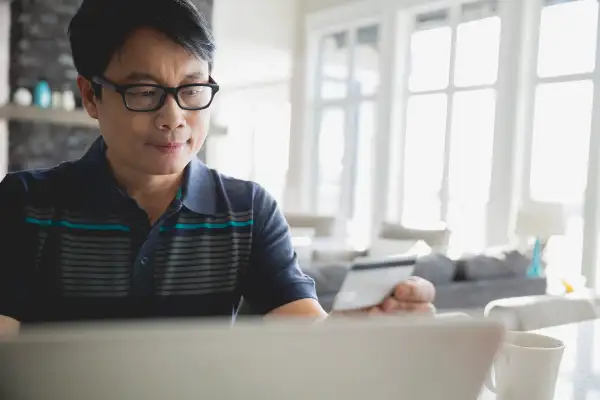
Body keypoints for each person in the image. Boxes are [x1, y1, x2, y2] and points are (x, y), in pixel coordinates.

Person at [0, 0, 435, 336]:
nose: (173, 117)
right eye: (144, 90)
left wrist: (372, 322)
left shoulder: (247, 210)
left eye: (191, 89)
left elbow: (305, 332)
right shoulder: (25, 204)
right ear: (91, 96)